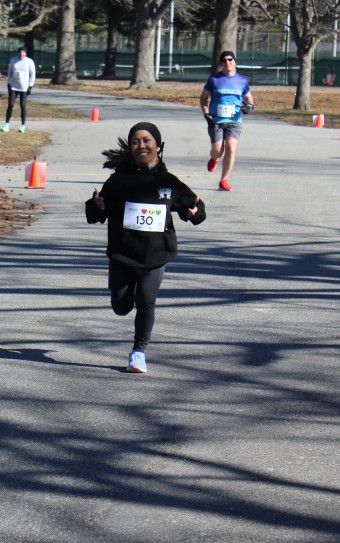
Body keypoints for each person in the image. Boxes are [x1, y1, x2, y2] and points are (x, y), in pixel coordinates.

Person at [84, 122, 207, 374]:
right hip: (123, 253)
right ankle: (124, 302)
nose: (141, 145)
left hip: (155, 255)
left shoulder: (168, 182)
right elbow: (97, 212)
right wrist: (96, 206)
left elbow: (193, 206)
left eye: (147, 140)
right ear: (131, 148)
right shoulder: (118, 181)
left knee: (146, 300)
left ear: (158, 146)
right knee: (121, 306)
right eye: (136, 141)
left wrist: (195, 212)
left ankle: (138, 352)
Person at [200, 50, 255, 191]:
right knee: (217, 150)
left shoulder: (241, 81)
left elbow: (249, 98)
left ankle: (224, 180)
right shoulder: (214, 80)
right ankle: (215, 158)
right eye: (224, 60)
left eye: (230, 59)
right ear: (221, 63)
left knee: (231, 147)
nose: (227, 62)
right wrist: (206, 113)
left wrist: (249, 106)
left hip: (234, 120)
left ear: (235, 61)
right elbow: (204, 97)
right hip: (216, 120)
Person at [3, 46, 36, 133]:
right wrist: (9, 83)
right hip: (14, 86)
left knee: (23, 105)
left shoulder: (29, 61)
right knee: (10, 105)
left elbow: (33, 74)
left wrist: (30, 86)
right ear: (18, 53)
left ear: (26, 53)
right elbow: (10, 72)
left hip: (24, 87)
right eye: (20, 52)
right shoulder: (13, 60)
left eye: (23, 52)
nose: (21, 54)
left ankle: (23, 125)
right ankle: (6, 124)